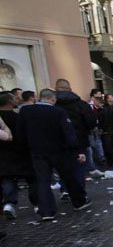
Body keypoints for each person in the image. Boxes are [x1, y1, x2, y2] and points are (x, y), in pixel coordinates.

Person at [15, 89, 90, 219]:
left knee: (43, 180)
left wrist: (25, 148)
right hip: (58, 150)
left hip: (37, 151)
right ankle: (79, 202)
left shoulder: (25, 111)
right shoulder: (58, 112)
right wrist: (77, 150)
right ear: (53, 99)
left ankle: (46, 211)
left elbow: (20, 132)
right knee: (68, 176)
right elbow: (68, 133)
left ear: (40, 98)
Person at [0, 91, 37, 218]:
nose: (17, 100)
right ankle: (37, 202)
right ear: (9, 101)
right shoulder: (17, 117)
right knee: (32, 178)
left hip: (4, 155)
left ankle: (9, 204)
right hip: (21, 152)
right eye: (14, 98)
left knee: (9, 178)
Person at [54, 78, 97, 187]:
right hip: (80, 139)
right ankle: (80, 192)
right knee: (79, 167)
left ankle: (65, 189)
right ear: (70, 89)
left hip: (59, 141)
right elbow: (91, 121)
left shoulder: (53, 105)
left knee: (63, 167)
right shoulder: (81, 104)